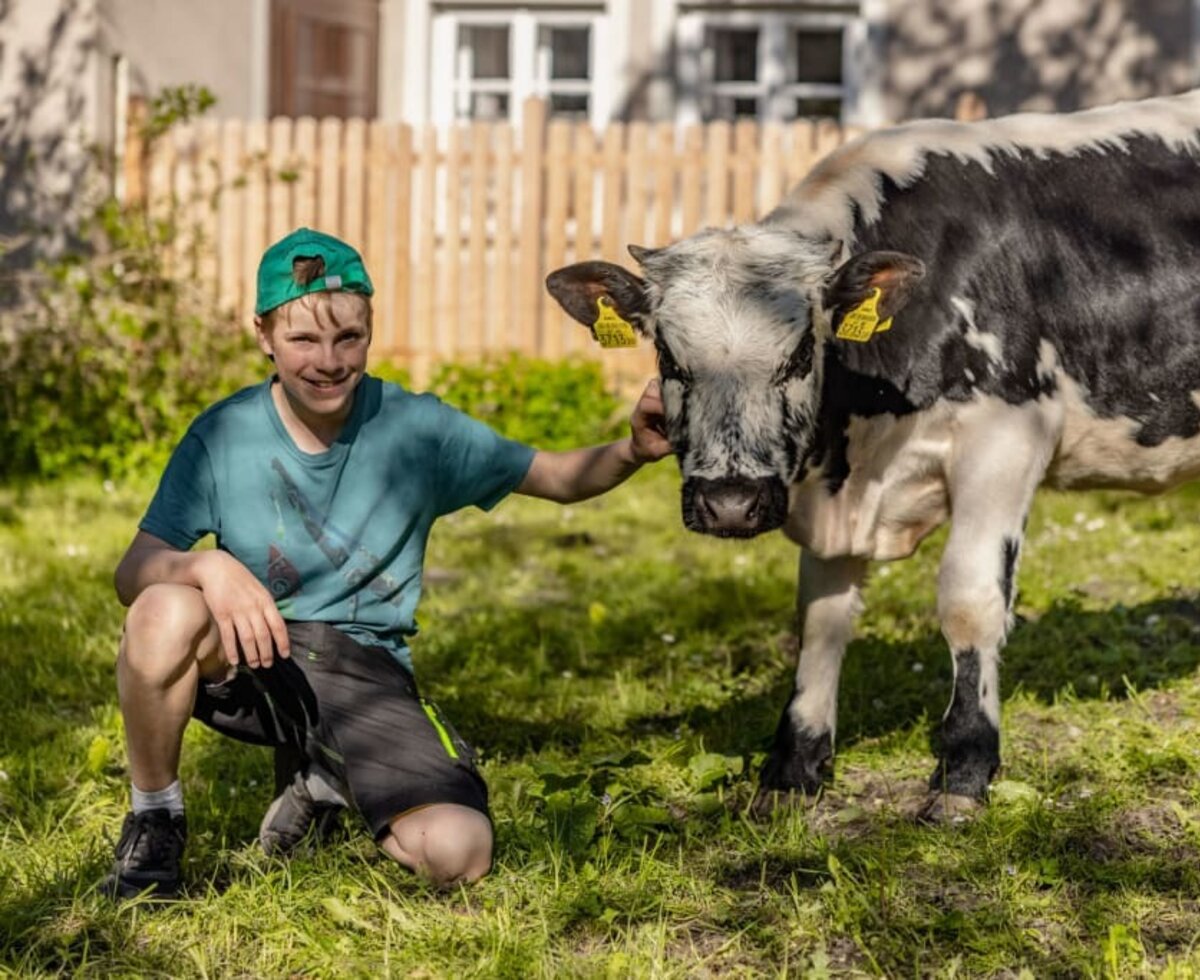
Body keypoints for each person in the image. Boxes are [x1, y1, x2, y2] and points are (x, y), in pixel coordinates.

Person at [103, 227, 670, 899]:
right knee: (164, 608)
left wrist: (631, 451)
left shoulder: (415, 429)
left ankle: (322, 780)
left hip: (362, 669)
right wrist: (206, 570)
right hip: (250, 656)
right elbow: (132, 571)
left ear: (370, 330)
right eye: (303, 341)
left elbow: (552, 475)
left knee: (459, 852)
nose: (329, 360)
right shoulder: (223, 435)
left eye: (349, 338)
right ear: (263, 336)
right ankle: (155, 820)